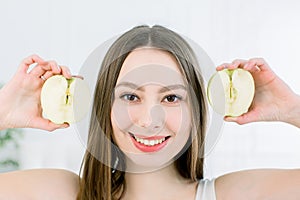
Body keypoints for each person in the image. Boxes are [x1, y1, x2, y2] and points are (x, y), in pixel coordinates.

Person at [0, 25, 299, 200]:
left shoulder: (230, 195)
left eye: (171, 98)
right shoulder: (60, 192)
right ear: (106, 105)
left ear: (195, 109)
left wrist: (290, 108)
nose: (148, 120)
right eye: (131, 96)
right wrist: (4, 112)